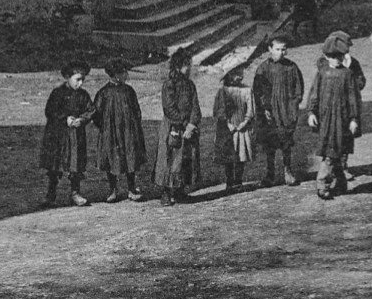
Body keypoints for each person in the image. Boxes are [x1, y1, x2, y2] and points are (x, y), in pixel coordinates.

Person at [306, 35, 362, 200]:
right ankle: (322, 185)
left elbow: (354, 98)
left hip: (343, 120)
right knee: (331, 153)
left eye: (339, 57)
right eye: (332, 57)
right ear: (326, 57)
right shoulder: (322, 74)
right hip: (326, 120)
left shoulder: (348, 74)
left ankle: (339, 183)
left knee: (338, 151)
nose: (335, 60)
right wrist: (311, 113)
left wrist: (354, 119)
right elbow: (314, 95)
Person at [39, 61, 95, 207]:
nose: (80, 83)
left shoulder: (83, 95)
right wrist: (65, 119)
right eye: (77, 79)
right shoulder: (57, 93)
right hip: (57, 134)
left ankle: (75, 193)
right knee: (54, 164)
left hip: (75, 135)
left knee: (75, 164)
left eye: (83, 79)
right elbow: (50, 111)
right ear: (67, 77)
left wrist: (82, 120)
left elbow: (90, 110)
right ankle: (51, 194)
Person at [251, 34, 305, 186]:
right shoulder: (263, 68)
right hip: (269, 114)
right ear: (270, 49)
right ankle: (270, 173)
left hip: (286, 112)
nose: (281, 52)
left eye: (283, 49)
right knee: (269, 144)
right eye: (277, 49)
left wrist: (293, 107)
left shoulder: (291, 67)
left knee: (286, 142)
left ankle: (288, 170)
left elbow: (298, 90)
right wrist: (264, 107)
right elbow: (257, 90)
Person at [93, 57, 148, 202]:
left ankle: (131, 188)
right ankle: (113, 190)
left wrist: (133, 127)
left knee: (130, 158)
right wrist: (106, 129)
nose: (126, 76)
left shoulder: (129, 91)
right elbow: (96, 114)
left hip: (128, 132)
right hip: (110, 134)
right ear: (116, 75)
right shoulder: (103, 93)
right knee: (112, 160)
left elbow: (137, 111)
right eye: (124, 73)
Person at [155, 47, 202, 205]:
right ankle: (166, 193)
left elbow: (196, 107)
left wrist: (192, 124)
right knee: (170, 160)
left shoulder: (190, 85)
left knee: (186, 160)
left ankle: (180, 190)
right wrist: (183, 123)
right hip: (173, 128)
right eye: (186, 65)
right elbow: (169, 108)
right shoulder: (169, 84)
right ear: (178, 66)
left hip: (188, 129)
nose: (189, 68)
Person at [213, 65, 256, 193]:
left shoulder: (247, 90)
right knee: (229, 155)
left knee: (241, 154)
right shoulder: (223, 91)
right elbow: (218, 110)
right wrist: (228, 124)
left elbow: (251, 109)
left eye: (241, 72)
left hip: (242, 128)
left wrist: (245, 122)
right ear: (229, 75)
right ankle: (229, 180)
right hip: (228, 129)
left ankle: (238, 180)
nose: (239, 75)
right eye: (236, 73)